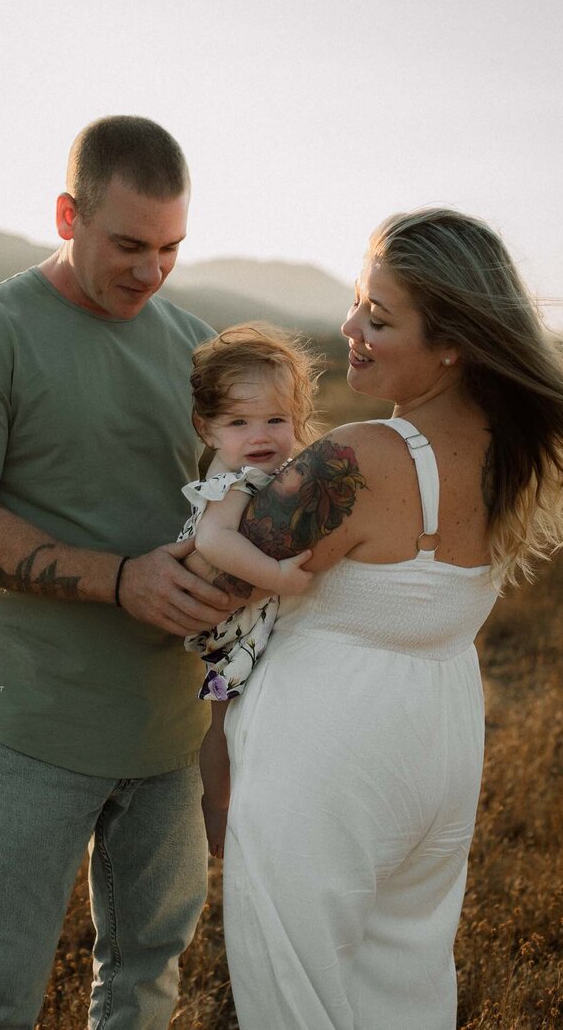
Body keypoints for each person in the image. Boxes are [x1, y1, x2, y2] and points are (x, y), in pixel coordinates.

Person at [206, 209, 563, 1030]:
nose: (351, 328)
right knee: (403, 986)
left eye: (378, 317)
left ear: (452, 345)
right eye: (356, 302)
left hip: (327, 750)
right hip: (438, 738)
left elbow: (209, 583)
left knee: (294, 997)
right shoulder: (511, 454)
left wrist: (215, 493)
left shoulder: (358, 458)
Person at [0, 116, 235, 1030]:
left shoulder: (200, 350)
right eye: (128, 244)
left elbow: (236, 499)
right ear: (66, 216)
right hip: (33, 725)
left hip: (172, 733)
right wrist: (121, 579)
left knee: (145, 982)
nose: (151, 270)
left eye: (170, 247)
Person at [176, 323, 321, 856]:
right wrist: (276, 576)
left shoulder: (261, 466)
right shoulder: (232, 480)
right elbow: (213, 540)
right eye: (239, 422)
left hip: (247, 611)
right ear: (207, 429)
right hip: (227, 618)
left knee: (244, 713)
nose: (259, 436)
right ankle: (217, 812)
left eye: (275, 420)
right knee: (224, 714)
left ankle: (247, 808)